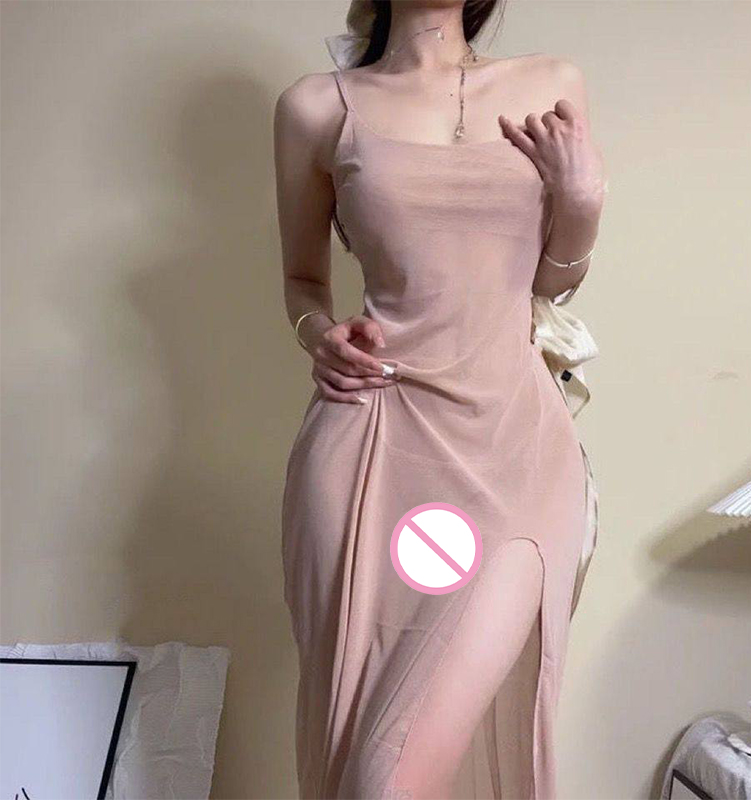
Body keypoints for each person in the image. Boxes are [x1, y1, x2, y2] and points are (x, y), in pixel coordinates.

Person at [274, 1, 606, 797]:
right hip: (370, 447)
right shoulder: (315, 107)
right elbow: (302, 281)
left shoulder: (551, 83)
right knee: (357, 746)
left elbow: (550, 284)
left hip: (512, 452)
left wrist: (582, 204)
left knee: (386, 778)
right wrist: (319, 334)